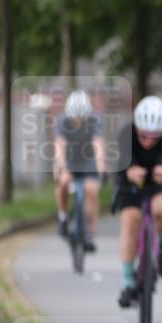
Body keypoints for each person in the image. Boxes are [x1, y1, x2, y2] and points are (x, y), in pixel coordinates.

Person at [115, 96, 162, 308]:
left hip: (158, 182)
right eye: (144, 136)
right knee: (131, 221)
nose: (149, 141)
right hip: (130, 183)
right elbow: (122, 163)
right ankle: (128, 282)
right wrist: (130, 170)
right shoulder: (125, 135)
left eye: (155, 137)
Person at [53, 90, 106, 251]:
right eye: (75, 119)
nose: (78, 122)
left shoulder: (95, 120)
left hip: (88, 161)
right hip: (69, 159)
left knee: (92, 191)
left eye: (81, 120)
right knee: (64, 182)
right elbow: (60, 145)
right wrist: (61, 165)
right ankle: (63, 216)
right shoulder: (62, 120)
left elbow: (98, 143)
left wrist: (101, 165)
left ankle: (90, 233)